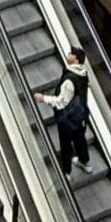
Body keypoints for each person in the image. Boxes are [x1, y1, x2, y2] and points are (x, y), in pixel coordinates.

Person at [37, 45, 91, 177]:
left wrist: (44, 98)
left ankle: (66, 171)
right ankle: (85, 163)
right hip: (80, 115)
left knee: (65, 144)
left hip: (68, 117)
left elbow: (61, 102)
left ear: (76, 60)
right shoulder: (83, 73)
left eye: (71, 53)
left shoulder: (69, 80)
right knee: (80, 139)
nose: (68, 54)